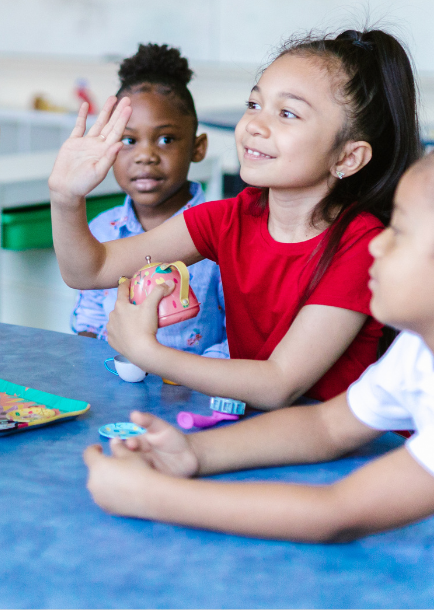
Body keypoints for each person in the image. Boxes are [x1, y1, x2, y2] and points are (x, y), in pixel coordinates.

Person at [50, 30, 421, 409]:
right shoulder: (229, 218)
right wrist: (66, 197)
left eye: (287, 113)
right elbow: (90, 270)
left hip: (339, 455)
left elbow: (279, 383)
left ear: (347, 158)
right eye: (254, 104)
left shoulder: (362, 245)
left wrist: (149, 353)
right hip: (256, 431)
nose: (255, 125)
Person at [83, 154, 434, 542]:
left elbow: (338, 512)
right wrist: (193, 452)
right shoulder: (417, 354)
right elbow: (326, 426)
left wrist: (150, 496)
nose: (378, 243)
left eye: (400, 231)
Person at [71, 43, 226, 358]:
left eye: (166, 139)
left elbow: (239, 339)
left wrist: (191, 380)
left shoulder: (223, 236)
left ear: (198, 148)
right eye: (128, 140)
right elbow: (90, 317)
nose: (145, 156)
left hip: (193, 394)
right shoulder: (102, 229)